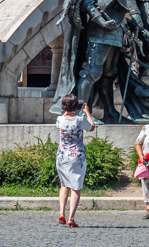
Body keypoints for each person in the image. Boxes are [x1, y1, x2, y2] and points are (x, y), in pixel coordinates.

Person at [51, 0, 131, 123]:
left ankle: (110, 112)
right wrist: (100, 20)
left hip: (115, 30)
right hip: (98, 31)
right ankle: (81, 112)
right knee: (91, 72)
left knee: (110, 73)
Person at [55, 93, 95, 227]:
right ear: (76, 106)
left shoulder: (59, 119)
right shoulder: (79, 119)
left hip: (62, 155)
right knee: (76, 187)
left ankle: (61, 212)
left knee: (64, 185)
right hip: (76, 155)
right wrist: (87, 113)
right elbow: (92, 127)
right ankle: (71, 217)